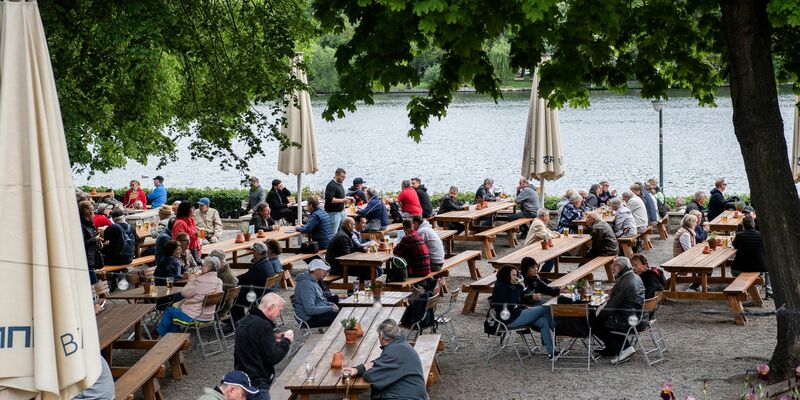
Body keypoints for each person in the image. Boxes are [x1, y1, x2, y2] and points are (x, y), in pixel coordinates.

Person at [341, 319, 428, 400]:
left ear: (382, 336)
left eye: (378, 336)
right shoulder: (401, 346)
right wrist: (358, 369)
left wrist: (367, 369)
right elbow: (380, 363)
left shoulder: (394, 351)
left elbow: (371, 376)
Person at [234, 293, 293, 398]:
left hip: (242, 376)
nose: (279, 314)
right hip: (258, 379)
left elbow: (253, 343)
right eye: (280, 310)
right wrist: (286, 341)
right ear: (271, 308)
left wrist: (273, 339)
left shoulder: (246, 320)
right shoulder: (264, 325)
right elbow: (273, 357)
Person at [490, 265, 555, 357]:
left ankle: (552, 352)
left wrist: (524, 306)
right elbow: (511, 302)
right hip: (509, 319)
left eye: (516, 275)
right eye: (513, 275)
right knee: (545, 307)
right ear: (506, 275)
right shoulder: (501, 286)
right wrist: (519, 287)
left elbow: (517, 302)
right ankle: (558, 330)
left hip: (517, 314)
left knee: (543, 321)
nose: (516, 277)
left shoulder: (509, 284)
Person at [593, 257, 646, 364]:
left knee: (594, 323)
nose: (612, 269)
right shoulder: (636, 277)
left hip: (627, 320)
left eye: (615, 266)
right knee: (605, 320)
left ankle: (624, 349)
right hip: (640, 316)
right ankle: (612, 348)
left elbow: (610, 308)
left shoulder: (623, 282)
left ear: (621, 266)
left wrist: (597, 317)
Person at [155, 257, 223, 336]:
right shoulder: (219, 281)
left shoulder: (200, 281)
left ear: (207, 268)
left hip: (195, 316)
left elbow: (184, 293)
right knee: (174, 315)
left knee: (169, 311)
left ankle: (160, 336)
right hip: (209, 316)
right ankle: (174, 338)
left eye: (202, 265)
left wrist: (192, 280)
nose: (201, 267)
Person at [232, 242, 282, 323]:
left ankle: (237, 323)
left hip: (257, 297)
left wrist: (233, 279)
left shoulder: (258, 267)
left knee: (233, 298)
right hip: (267, 294)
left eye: (254, 251)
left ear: (258, 253)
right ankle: (238, 321)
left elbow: (244, 280)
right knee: (238, 293)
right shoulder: (267, 263)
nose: (253, 253)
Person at [294, 259, 340, 328]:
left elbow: (320, 299)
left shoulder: (313, 281)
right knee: (343, 316)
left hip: (314, 315)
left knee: (344, 312)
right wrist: (330, 308)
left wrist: (331, 304)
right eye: (324, 270)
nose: (326, 273)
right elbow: (310, 310)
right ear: (316, 270)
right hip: (308, 319)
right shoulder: (306, 285)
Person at [732, 216, 770, 297]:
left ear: (743, 225)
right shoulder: (761, 235)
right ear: (753, 224)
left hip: (741, 267)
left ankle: (741, 288)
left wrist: (739, 228)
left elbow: (735, 245)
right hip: (759, 267)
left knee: (733, 270)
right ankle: (764, 290)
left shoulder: (739, 235)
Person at [393, 219, 432, 288]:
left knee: (398, 263)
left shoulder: (407, 237)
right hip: (427, 268)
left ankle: (395, 286)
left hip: (419, 270)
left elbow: (395, 251)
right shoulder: (417, 234)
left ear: (405, 228)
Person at [79, 201, 103, 284]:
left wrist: (99, 240)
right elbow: (81, 243)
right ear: (86, 211)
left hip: (93, 255)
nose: (94, 211)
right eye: (92, 209)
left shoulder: (90, 222)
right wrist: (95, 239)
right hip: (86, 256)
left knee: (93, 280)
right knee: (93, 281)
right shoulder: (81, 224)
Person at [325, 168, 351, 234]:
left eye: (344, 177)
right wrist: (343, 200)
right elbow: (330, 199)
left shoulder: (340, 183)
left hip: (341, 212)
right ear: (336, 175)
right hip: (333, 213)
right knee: (333, 233)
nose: (343, 178)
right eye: (342, 177)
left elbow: (339, 196)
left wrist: (348, 198)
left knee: (344, 231)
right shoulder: (331, 185)